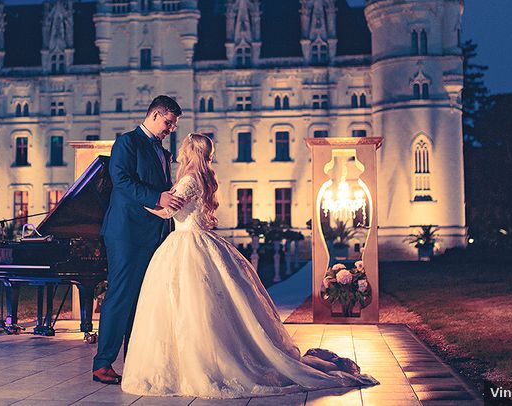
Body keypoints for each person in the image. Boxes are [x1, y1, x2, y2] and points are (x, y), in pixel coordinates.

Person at [121, 133, 378, 398]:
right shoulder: (204, 179)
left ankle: (198, 364)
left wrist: (140, 200)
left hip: (186, 244)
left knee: (188, 306)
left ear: (189, 153)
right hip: (200, 242)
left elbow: (168, 211)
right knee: (208, 307)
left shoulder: (188, 180)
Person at [91, 96, 185, 385]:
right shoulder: (127, 142)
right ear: (155, 115)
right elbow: (121, 180)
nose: (170, 129)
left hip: (153, 233)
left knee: (143, 299)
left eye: (174, 125)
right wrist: (158, 197)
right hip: (125, 232)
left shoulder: (162, 151)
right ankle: (102, 363)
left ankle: (134, 359)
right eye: (168, 122)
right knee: (120, 295)